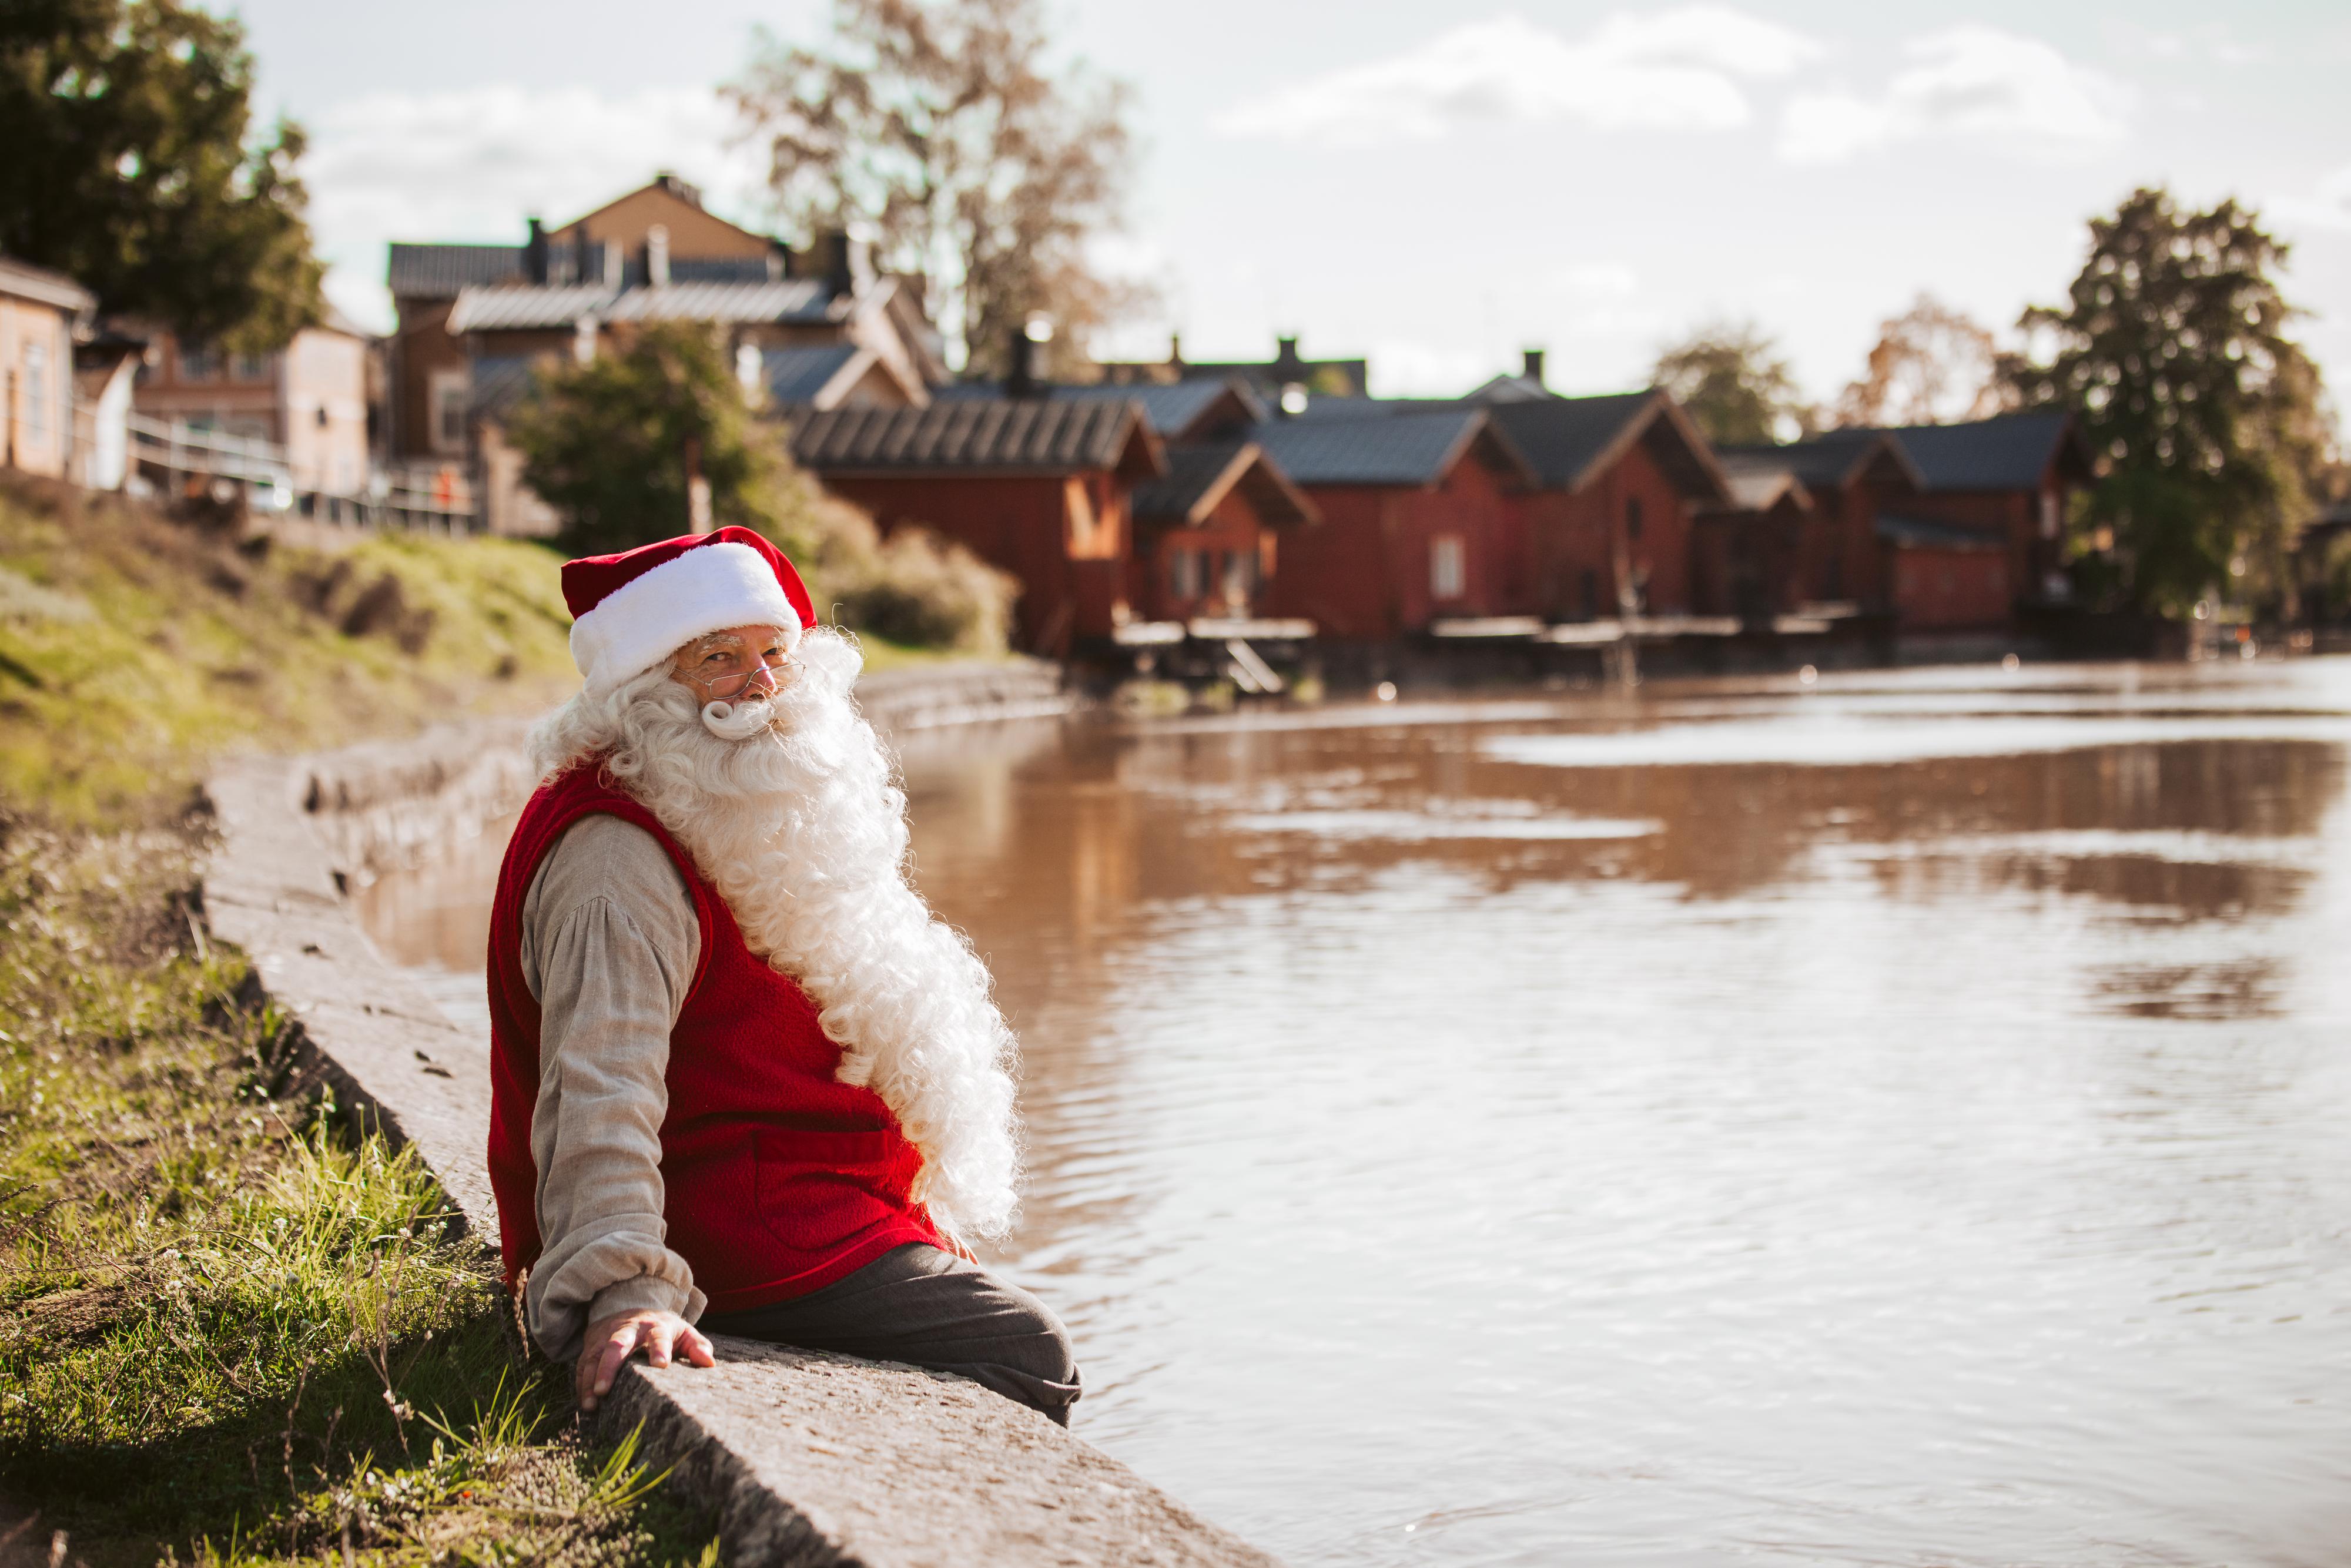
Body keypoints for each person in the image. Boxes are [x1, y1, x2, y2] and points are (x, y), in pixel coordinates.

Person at [485, 527, 1078, 1424]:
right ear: (643, 689)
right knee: (1023, 1349)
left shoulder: (723, 805)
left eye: (774, 655)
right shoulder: (616, 857)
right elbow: (598, 1083)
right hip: (742, 1230)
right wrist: (625, 1288)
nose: (760, 687)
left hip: (810, 1203)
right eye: (718, 660)